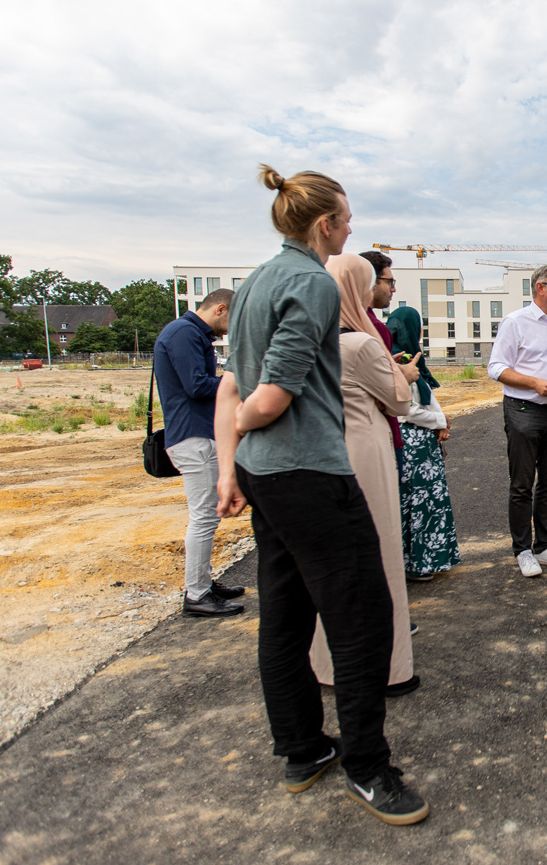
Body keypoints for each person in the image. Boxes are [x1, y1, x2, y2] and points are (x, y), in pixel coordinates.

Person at [215, 164, 427, 826]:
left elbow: (227, 387)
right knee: (363, 616)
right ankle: (367, 767)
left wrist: (231, 468)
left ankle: (303, 749)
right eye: (347, 218)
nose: (352, 227)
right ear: (323, 225)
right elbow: (268, 395)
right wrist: (254, 420)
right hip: (308, 473)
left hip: (265, 475)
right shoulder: (309, 281)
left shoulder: (253, 281)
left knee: (284, 613)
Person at [307, 253, 418, 697]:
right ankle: (389, 668)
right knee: (381, 552)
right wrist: (405, 372)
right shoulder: (361, 344)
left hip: (325, 449)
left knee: (332, 562)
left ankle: (326, 662)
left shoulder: (313, 337)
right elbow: (400, 400)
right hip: (366, 450)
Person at [153, 287, 246, 618]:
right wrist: (237, 381)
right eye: (233, 319)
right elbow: (196, 385)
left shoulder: (190, 333)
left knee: (206, 515)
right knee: (204, 516)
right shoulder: (184, 334)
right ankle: (197, 593)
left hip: (195, 434)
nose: (231, 329)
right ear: (221, 309)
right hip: (193, 436)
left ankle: (204, 583)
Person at [486, 264, 547, 578]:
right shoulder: (515, 322)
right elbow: (497, 368)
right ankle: (523, 549)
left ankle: (545, 545)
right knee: (522, 485)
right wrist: (533, 382)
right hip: (523, 410)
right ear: (540, 288)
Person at [387, 305, 462, 582]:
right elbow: (405, 409)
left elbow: (426, 397)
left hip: (422, 446)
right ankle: (417, 564)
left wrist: (440, 421)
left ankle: (425, 560)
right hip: (412, 446)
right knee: (417, 504)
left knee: (426, 503)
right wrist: (440, 421)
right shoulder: (398, 362)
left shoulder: (411, 360)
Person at [358, 249, 406, 453]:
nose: (393, 289)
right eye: (390, 282)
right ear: (371, 281)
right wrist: (403, 375)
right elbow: (391, 397)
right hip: (379, 433)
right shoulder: (374, 327)